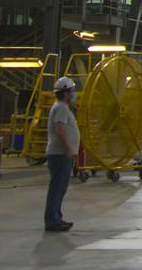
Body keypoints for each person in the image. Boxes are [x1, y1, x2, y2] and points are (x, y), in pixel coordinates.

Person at [44, 76, 79, 232]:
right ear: (66, 93)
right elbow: (60, 128)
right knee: (57, 189)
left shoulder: (61, 107)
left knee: (59, 188)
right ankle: (53, 221)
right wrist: (68, 148)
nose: (74, 94)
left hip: (60, 154)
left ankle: (56, 218)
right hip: (60, 154)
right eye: (72, 91)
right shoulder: (61, 108)